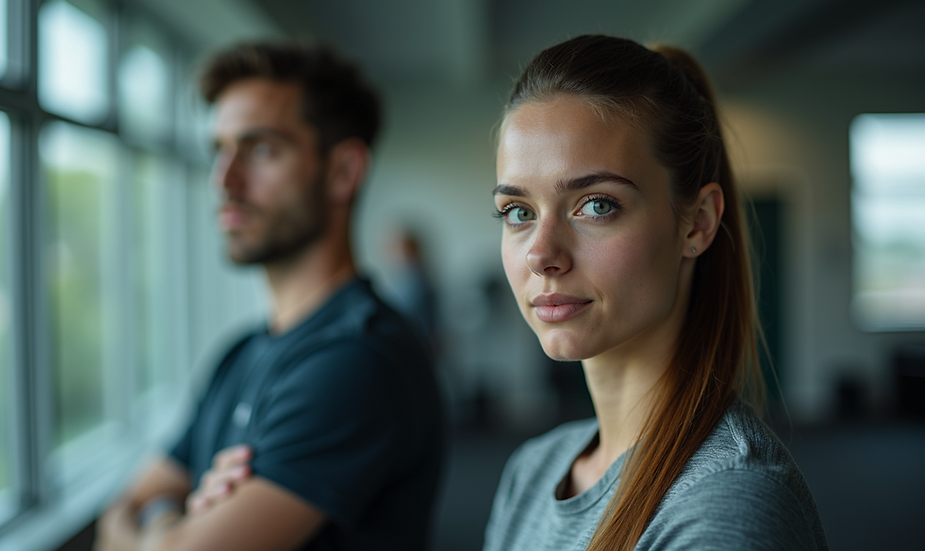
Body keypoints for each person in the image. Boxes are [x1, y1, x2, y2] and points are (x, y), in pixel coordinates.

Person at [482, 35, 828, 550]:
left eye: (596, 205)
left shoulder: (727, 504)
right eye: (519, 213)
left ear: (697, 223)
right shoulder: (532, 470)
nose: (540, 254)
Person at [95, 41, 443, 551]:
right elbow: (118, 513)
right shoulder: (241, 353)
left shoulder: (357, 359)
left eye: (261, 150)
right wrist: (176, 523)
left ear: (343, 171)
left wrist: (164, 525)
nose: (225, 181)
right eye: (219, 151)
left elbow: (141, 521)